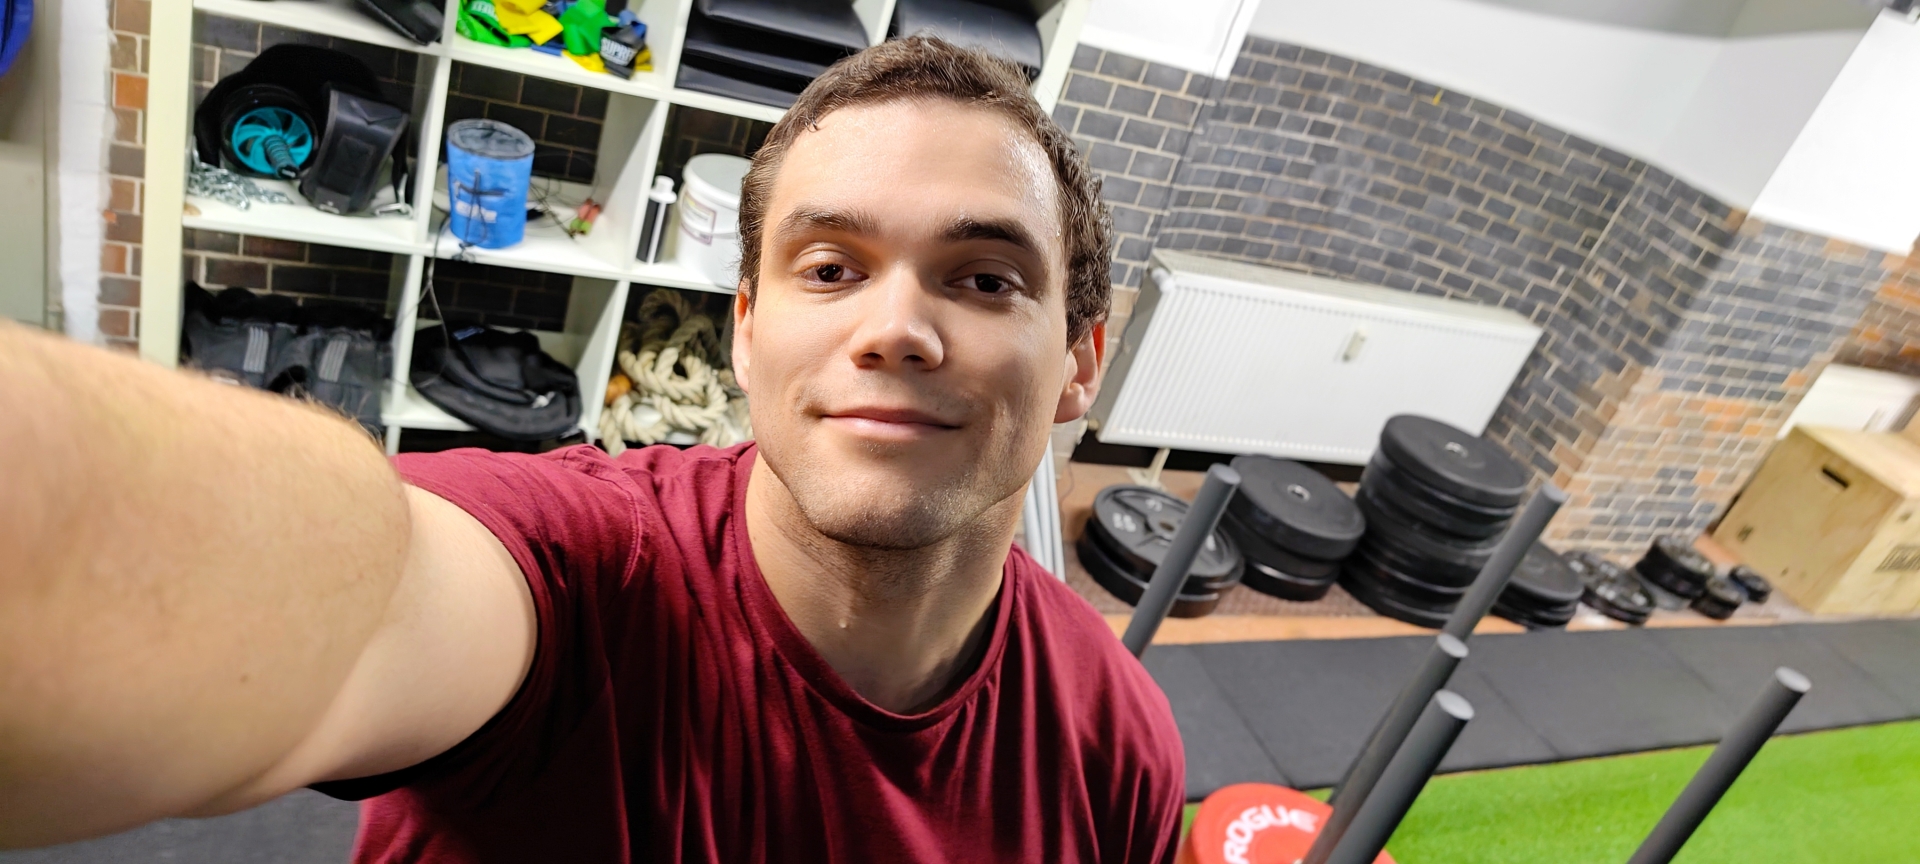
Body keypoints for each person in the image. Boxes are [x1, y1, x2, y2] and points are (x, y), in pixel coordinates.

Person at [0, 36, 1184, 862]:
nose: (895, 330)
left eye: (985, 279)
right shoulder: (575, 577)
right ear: (747, 329)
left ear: (1079, 363)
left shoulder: (1117, 742)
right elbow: (358, 586)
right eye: (830, 268)